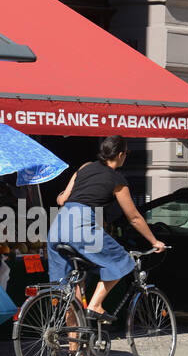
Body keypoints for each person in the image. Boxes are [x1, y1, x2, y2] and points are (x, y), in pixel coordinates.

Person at [48, 136, 165, 324]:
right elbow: (134, 217)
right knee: (122, 260)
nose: (125, 157)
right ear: (120, 155)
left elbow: (61, 200)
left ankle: (76, 351)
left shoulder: (84, 167)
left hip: (58, 226)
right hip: (81, 226)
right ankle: (95, 305)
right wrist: (154, 241)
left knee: (69, 292)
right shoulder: (118, 180)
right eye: (126, 153)